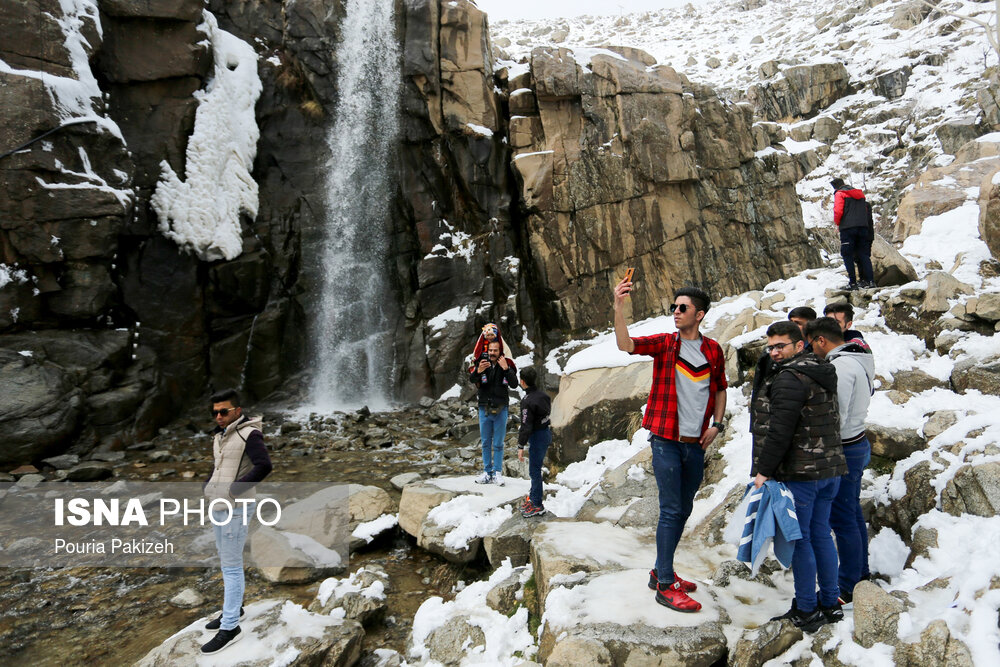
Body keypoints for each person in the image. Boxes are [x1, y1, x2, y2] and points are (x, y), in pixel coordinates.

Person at [614, 280, 728, 613]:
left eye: (682, 308)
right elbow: (626, 345)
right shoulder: (665, 344)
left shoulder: (713, 351)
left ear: (700, 314)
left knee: (685, 508)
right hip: (665, 439)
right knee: (671, 509)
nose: (675, 313)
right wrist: (619, 306)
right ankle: (665, 585)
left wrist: (717, 426)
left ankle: (660, 569)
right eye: (673, 308)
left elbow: (720, 389)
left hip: (695, 444)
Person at [750, 321, 846, 633]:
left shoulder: (790, 378)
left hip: (802, 473)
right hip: (829, 468)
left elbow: (780, 431)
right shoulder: (820, 368)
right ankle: (830, 603)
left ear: (799, 345)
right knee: (820, 534)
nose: (774, 352)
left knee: (801, 539)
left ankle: (807, 609)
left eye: (781, 346)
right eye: (770, 347)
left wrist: (763, 471)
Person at [806, 317, 875, 604]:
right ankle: (860, 574)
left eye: (811, 343)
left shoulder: (840, 367)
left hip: (844, 447)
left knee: (841, 517)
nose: (811, 350)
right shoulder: (857, 357)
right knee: (851, 513)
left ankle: (846, 586)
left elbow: (837, 414)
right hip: (857, 441)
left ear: (821, 340)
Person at [201, 389, 272, 655]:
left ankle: (230, 627)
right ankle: (236, 610)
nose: (219, 416)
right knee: (225, 559)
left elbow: (264, 465)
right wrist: (208, 486)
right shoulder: (220, 436)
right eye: (215, 412)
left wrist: (234, 489)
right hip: (219, 504)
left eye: (224, 411)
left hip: (236, 506)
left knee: (231, 567)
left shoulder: (249, 433)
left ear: (238, 410)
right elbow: (219, 466)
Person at [470, 339, 517, 485]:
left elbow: (514, 384)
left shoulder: (506, 364)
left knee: (498, 443)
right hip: (484, 408)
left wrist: (506, 369)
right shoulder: (482, 363)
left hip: (501, 408)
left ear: (500, 351)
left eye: (495, 350)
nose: (492, 353)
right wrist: (479, 371)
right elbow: (472, 379)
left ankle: (497, 473)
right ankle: (486, 472)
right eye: (490, 350)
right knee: (485, 442)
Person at [517, 367, 551, 518]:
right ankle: (533, 497)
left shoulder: (528, 401)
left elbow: (526, 425)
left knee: (534, 471)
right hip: (545, 433)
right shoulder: (543, 396)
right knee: (535, 469)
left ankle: (537, 504)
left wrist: (520, 445)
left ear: (522, 382)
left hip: (537, 437)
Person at [831, 177, 875, 290]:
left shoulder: (840, 194)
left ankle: (853, 283)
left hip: (848, 228)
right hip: (863, 228)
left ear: (835, 187)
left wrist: (838, 223)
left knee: (847, 254)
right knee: (863, 254)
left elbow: (838, 211)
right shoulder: (859, 194)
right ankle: (870, 281)